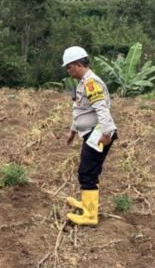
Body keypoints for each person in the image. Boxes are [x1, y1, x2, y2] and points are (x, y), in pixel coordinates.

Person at [63, 46, 118, 227]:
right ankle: (87, 204)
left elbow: (101, 109)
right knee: (86, 169)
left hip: (99, 134)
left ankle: (90, 215)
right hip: (91, 133)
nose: (68, 71)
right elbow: (81, 110)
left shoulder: (91, 83)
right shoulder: (82, 83)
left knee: (87, 172)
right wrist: (73, 129)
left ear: (79, 64)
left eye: (69, 67)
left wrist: (107, 133)